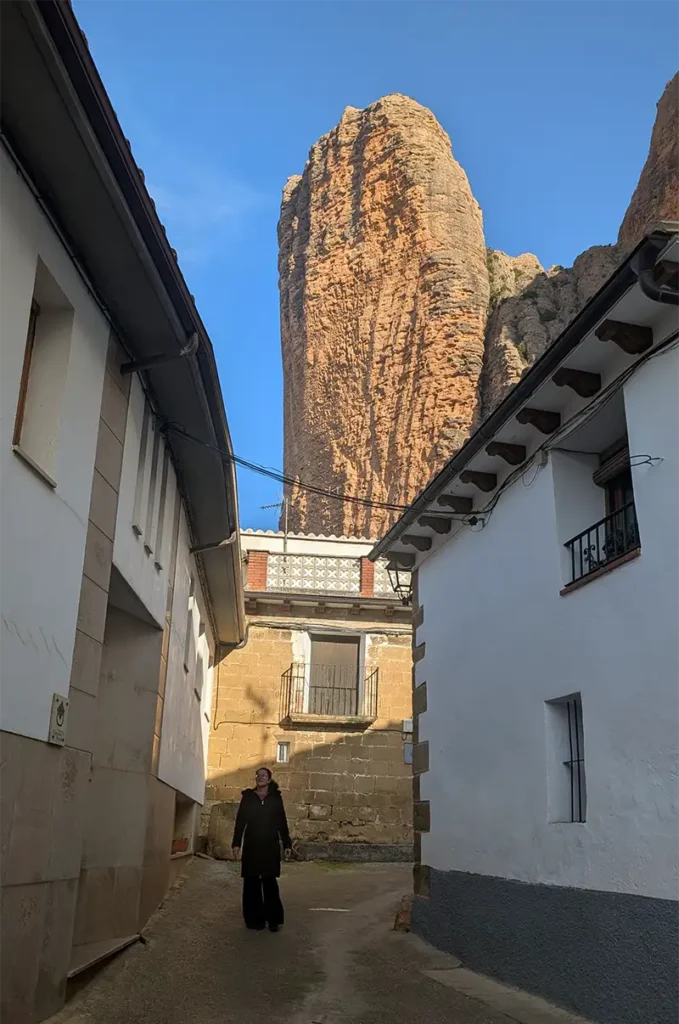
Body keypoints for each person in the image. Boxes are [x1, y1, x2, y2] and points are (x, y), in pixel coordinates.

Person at [232, 766, 293, 932]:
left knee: (269, 882)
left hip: (269, 846)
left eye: (264, 775)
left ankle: (273, 920)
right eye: (258, 775)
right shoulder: (248, 797)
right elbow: (240, 822)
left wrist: (287, 844)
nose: (260, 778)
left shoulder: (275, 798)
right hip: (252, 846)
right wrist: (236, 843)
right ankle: (254, 920)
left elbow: (282, 822)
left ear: (269, 779)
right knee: (251, 882)